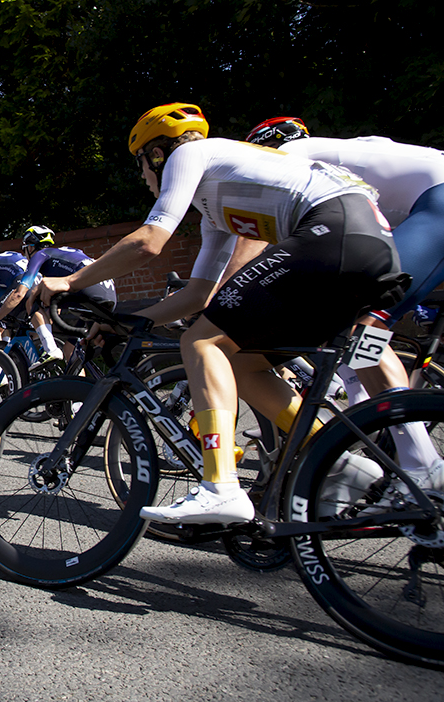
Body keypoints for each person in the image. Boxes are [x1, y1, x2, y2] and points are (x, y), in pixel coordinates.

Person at [37, 102, 400, 524]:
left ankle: (221, 486)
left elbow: (149, 241)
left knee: (202, 341)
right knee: (243, 364)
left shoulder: (190, 155)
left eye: (142, 164)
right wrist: (130, 321)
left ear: (158, 154)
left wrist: (70, 281)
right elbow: (199, 294)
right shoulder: (221, 203)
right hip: (366, 243)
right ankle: (336, 460)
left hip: (332, 231)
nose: (143, 176)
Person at [245, 118, 444, 492]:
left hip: (438, 205)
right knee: (349, 320)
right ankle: (370, 415)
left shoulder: (290, 158)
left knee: (357, 321)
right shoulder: (333, 154)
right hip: (428, 209)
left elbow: (260, 248)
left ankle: (421, 462)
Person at [0, 225, 118, 367]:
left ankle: (51, 350)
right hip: (109, 294)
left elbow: (19, 293)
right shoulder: (62, 254)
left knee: (31, 297)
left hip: (89, 290)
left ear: (30, 247)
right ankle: (82, 386)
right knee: (71, 350)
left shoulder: (40, 255)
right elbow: (55, 308)